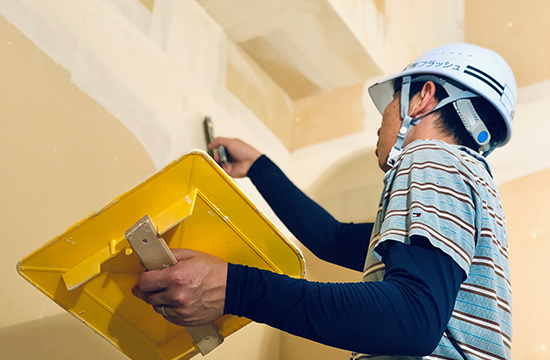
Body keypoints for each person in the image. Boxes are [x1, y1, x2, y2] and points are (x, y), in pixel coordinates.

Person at [132, 43, 515, 360]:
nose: (381, 122)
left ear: (423, 98)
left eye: (391, 101)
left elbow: (413, 319)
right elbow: (330, 238)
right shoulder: (471, 195)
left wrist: (237, 289)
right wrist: (260, 167)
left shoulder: (430, 157)